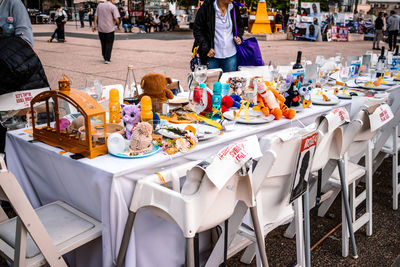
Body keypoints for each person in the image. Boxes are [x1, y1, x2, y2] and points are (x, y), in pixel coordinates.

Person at [193, 0, 243, 72]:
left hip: (231, 56)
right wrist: (206, 48)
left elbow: (240, 26)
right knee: (212, 82)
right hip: (211, 57)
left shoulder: (234, 8)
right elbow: (197, 30)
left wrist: (239, 36)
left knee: (228, 82)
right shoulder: (207, 7)